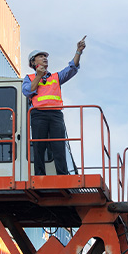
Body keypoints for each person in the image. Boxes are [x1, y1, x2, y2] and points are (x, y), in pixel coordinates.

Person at [22, 36, 86, 175]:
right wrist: (38, 76)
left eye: (45, 57)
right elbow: (27, 91)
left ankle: (62, 175)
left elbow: (72, 68)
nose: (45, 58)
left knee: (58, 145)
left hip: (56, 114)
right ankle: (39, 175)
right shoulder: (29, 78)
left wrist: (78, 51)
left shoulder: (56, 77)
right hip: (38, 115)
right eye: (41, 56)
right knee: (39, 146)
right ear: (33, 62)